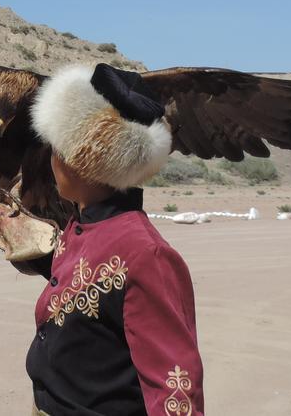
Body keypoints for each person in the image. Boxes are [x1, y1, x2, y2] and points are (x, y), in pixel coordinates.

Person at [23, 65, 205, 415]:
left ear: (82, 160)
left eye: (57, 147)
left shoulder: (145, 255)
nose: (51, 159)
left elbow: (176, 390)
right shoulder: (81, 227)